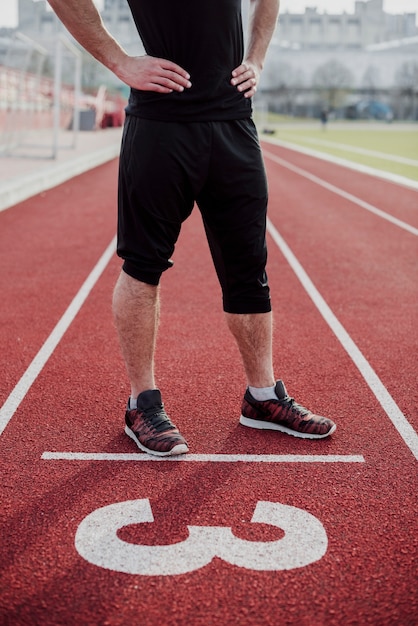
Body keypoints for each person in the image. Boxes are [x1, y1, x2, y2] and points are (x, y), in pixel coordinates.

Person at [48, 0, 336, 456]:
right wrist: (120, 61)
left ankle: (262, 398)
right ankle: (142, 404)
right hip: (162, 124)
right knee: (143, 265)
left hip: (232, 122)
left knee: (248, 268)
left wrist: (256, 58)